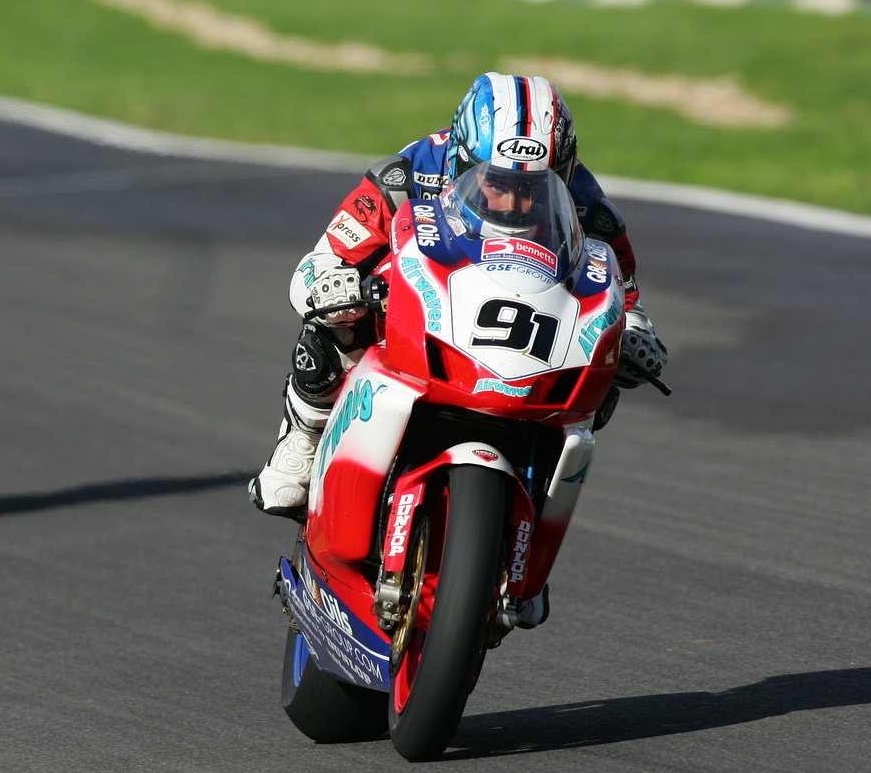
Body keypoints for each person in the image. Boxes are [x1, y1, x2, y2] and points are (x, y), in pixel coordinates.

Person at [248, 72, 668, 519]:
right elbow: (322, 259)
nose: (513, 203)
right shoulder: (407, 173)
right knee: (334, 319)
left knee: (602, 383)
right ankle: (307, 437)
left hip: (524, 335)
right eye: (497, 183)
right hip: (428, 308)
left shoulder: (590, 206)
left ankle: (531, 507)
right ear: (461, 159)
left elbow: (623, 296)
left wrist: (635, 338)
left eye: (533, 188)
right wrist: (337, 282)